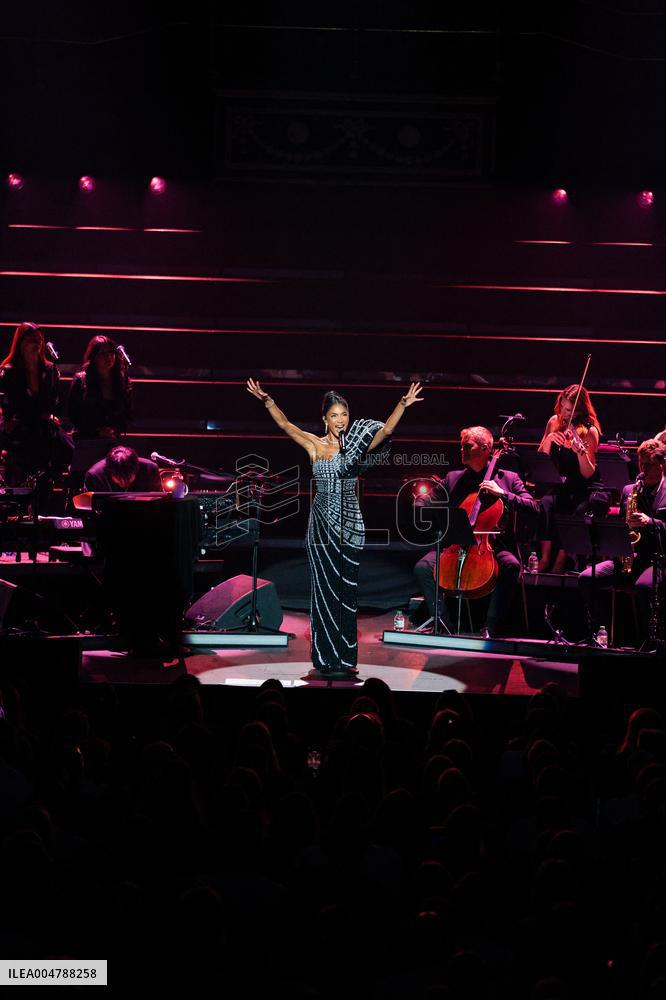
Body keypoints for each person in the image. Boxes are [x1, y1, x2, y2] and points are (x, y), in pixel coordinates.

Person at [246, 377, 424, 677]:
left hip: (350, 525)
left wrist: (402, 404)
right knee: (323, 592)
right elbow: (285, 426)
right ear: (325, 419)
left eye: (344, 415)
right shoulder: (314, 444)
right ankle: (324, 658)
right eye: (334, 415)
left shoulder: (356, 447)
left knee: (346, 592)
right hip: (321, 526)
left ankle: (345, 657)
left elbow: (386, 431)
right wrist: (267, 400)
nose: (340, 420)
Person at [413, 425, 539, 637]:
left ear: (485, 448)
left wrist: (503, 494)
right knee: (423, 567)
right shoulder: (453, 478)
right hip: (455, 544)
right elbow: (428, 500)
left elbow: (533, 507)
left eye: (467, 446)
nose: (462, 450)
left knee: (511, 565)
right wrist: (419, 501)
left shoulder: (508, 479)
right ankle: (443, 623)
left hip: (491, 546)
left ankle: (490, 625)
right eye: (461, 446)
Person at [578, 438, 666, 637]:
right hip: (628, 559)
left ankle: (651, 641)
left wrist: (650, 522)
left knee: (644, 586)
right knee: (586, 578)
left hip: (658, 560)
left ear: (663, 464)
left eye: (649, 465)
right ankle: (600, 633)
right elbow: (617, 530)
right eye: (641, 464)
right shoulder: (629, 490)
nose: (643, 470)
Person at [537, 385, 608, 573]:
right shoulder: (554, 422)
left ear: (580, 409)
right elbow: (541, 458)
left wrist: (579, 453)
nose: (566, 414)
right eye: (564, 409)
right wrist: (549, 439)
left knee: (574, 510)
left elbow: (587, 473)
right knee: (546, 503)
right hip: (561, 484)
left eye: (571, 410)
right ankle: (544, 558)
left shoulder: (589, 431)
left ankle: (561, 560)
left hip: (583, 487)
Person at [0, 321, 72, 487]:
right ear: (21, 343)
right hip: (21, 427)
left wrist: (50, 415)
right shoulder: (9, 371)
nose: (37, 344)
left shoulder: (49, 370)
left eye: (39, 340)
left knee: (68, 447)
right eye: (31, 340)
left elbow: (54, 401)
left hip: (42, 426)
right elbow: (11, 404)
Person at [67, 335, 132, 441]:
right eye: (103, 354)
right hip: (87, 439)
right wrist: (97, 431)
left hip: (113, 439)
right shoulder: (81, 380)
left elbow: (128, 413)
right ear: (94, 357)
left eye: (111, 353)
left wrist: (115, 429)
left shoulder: (123, 380)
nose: (109, 357)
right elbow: (73, 414)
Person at [84, 445, 162, 493]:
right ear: (110, 472)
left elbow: (159, 502)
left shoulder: (150, 469)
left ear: (136, 469)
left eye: (128, 479)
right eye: (119, 479)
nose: (124, 484)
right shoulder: (94, 475)